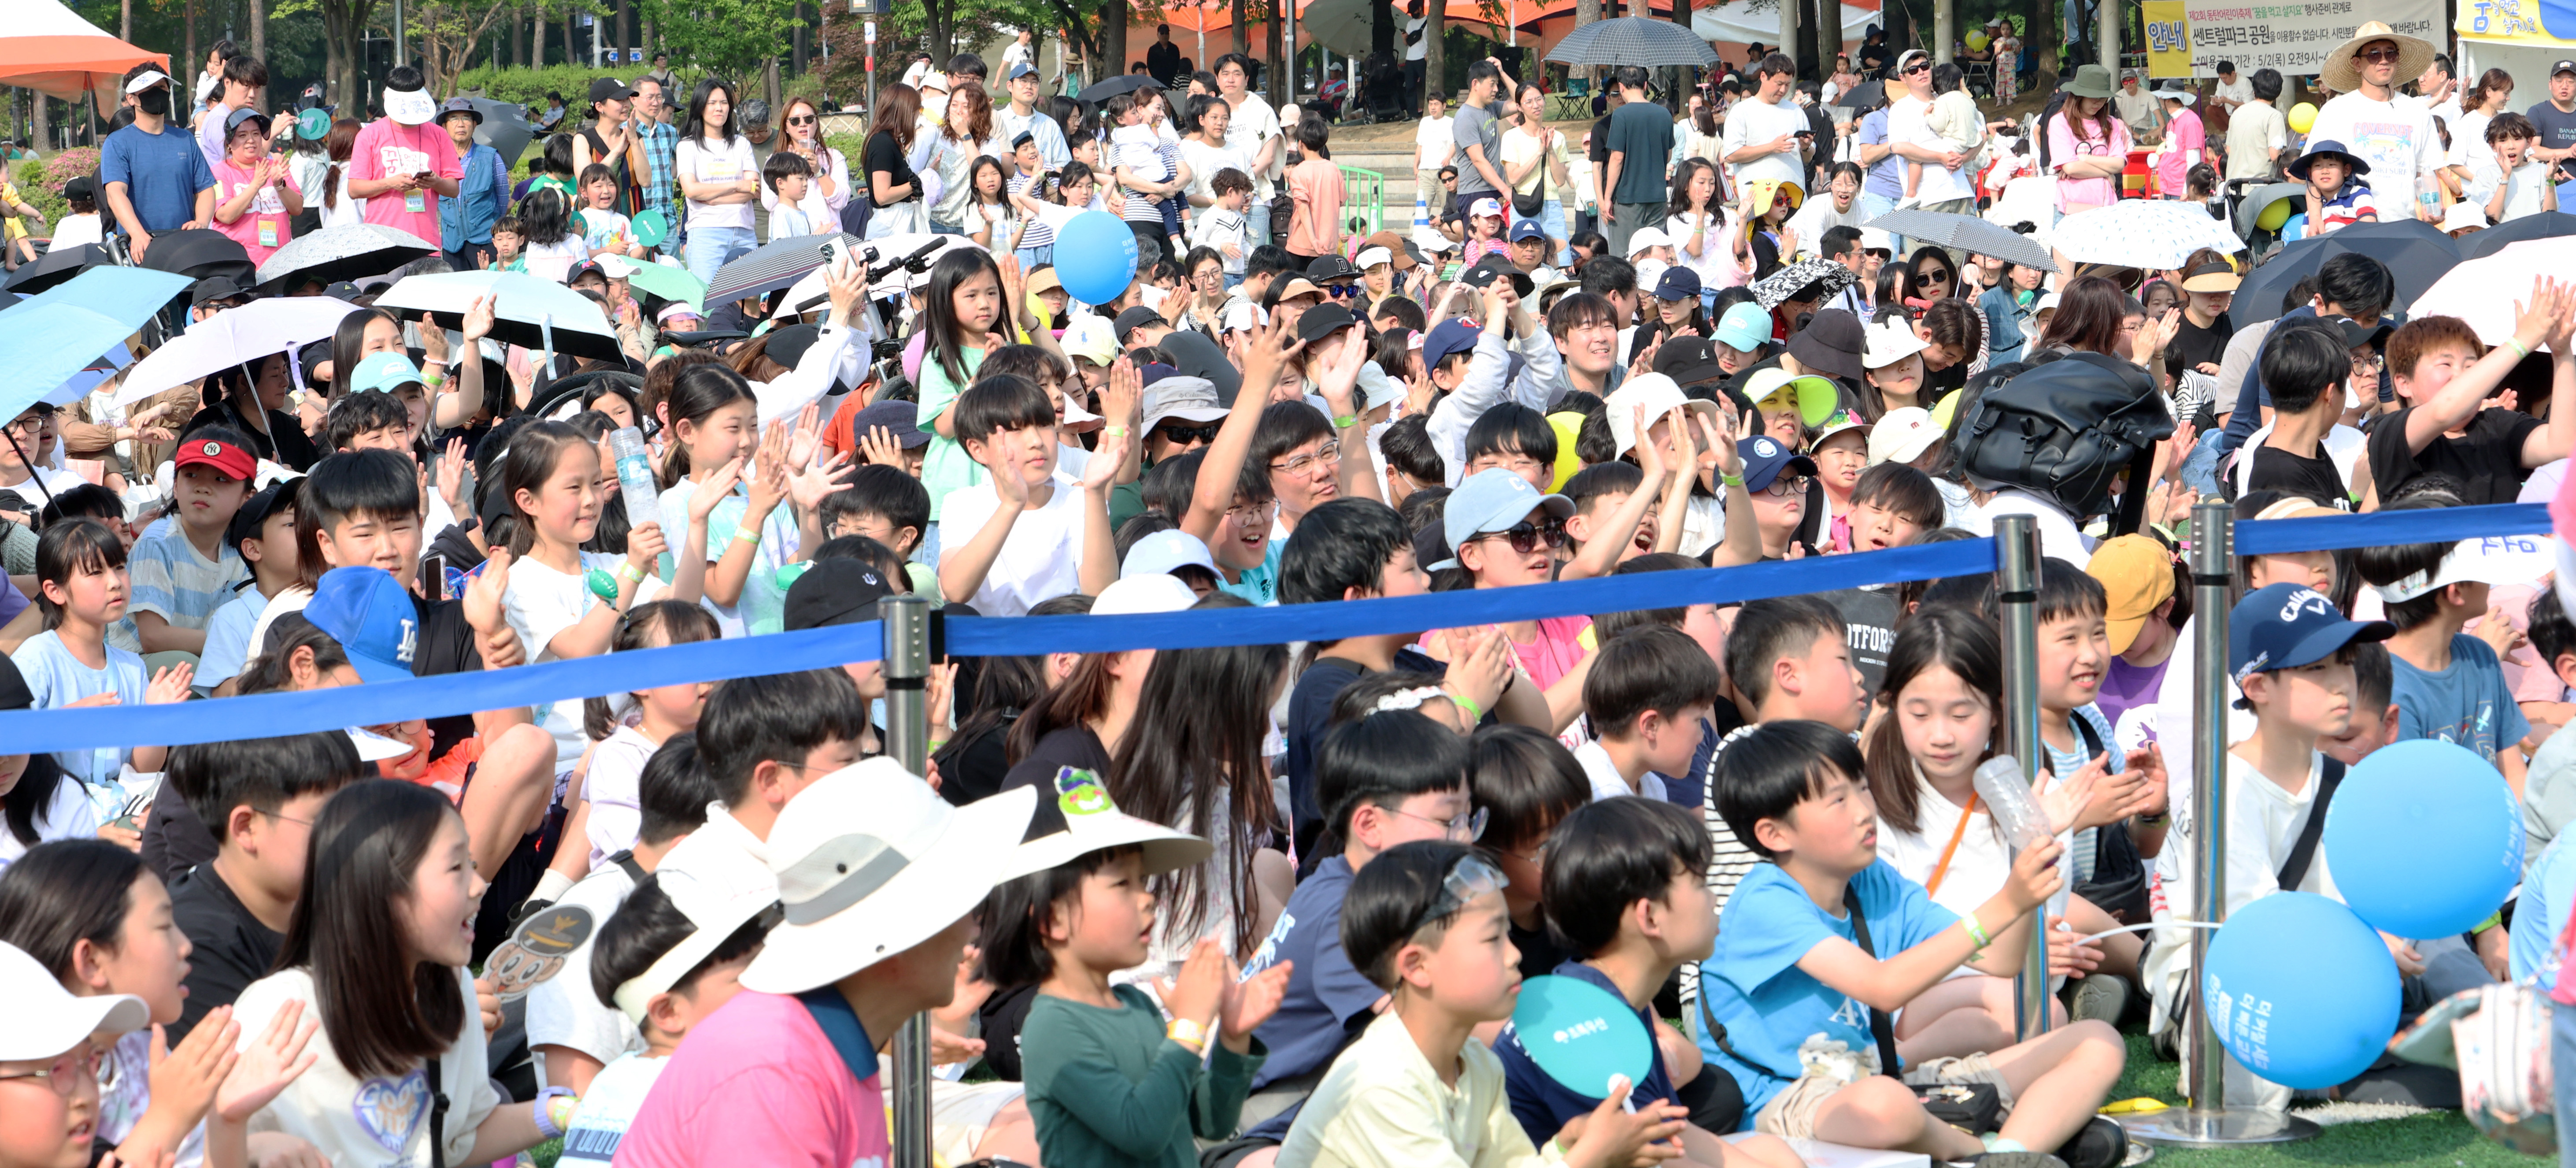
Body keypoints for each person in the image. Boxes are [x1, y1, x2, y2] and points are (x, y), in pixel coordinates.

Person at [1699, 720, 2129, 1160]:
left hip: (1873, 1076)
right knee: (1884, 1107)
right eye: (1838, 800)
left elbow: (2001, 959)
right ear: (1774, 834)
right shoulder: (1764, 901)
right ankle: (1987, 1149)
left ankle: (2010, 1150)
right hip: (1783, 1100)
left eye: (1862, 788)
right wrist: (2006, 901)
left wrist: (2028, 856)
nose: (1864, 809)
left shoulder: (1871, 881)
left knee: (2097, 1040)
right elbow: (1882, 987)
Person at [614, 760, 1038, 1166]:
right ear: (896, 926)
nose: (973, 928)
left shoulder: (832, 1042)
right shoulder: (775, 1067)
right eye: (960, 903)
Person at [1273, 839, 1694, 1168]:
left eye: (1508, 936)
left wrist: (1567, 1144)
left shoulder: (1477, 1063)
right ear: (1417, 966)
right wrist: (1587, 1159)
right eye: (1493, 939)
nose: (1515, 956)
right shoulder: (1384, 1084)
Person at [2141, 584, 2395, 1109]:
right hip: (2231, 993)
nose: (2342, 683)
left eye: (2345, 663)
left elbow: (2372, 889)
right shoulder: (2223, 792)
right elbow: (2257, 936)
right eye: (2317, 668)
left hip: (2325, 969)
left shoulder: (2339, 779)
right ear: (2257, 685)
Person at [1494, 797, 1806, 1168]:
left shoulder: (1610, 998)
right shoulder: (1584, 1029)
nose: (1713, 899)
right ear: (1650, 917)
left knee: (1775, 1157)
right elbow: (1654, 1160)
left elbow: (1673, 1131)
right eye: (1700, 883)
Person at [566, 824, 778, 1164]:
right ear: (668, 1012)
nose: (769, 984)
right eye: (744, 974)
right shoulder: (714, 1089)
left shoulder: (614, 1081)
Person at [2306, 21, 2444, 220]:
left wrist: (2432, 209)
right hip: (2349, 226)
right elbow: (2312, 173)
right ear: (2357, 64)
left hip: (2403, 227)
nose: (2384, 60)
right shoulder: (2335, 110)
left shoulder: (2417, 112)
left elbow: (2426, 173)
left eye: (2391, 54)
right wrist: (2315, 218)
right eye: (2374, 54)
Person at [99, 67, 216, 262]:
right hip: (139, 249)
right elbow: (115, 193)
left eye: (162, 87)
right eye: (150, 88)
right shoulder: (118, 142)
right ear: (131, 98)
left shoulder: (185, 139)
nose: (158, 93)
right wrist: (137, 233)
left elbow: (205, 189)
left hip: (184, 247)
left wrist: (201, 223)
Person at [349, 67, 463, 245]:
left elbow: (454, 189)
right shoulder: (369, 135)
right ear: (386, 96)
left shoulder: (439, 135)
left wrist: (437, 182)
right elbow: (354, 189)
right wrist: (390, 183)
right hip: (382, 243)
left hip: (425, 242)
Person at [676, 77, 759, 285]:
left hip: (744, 232)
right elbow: (692, 191)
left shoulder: (741, 144)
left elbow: (754, 189)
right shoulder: (687, 146)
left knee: (750, 299)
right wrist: (735, 185)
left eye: (724, 103)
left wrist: (713, 197)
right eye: (712, 103)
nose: (719, 109)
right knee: (707, 301)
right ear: (700, 107)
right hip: (706, 234)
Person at [208, 108, 299, 267]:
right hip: (241, 267)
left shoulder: (275, 166)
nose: (251, 140)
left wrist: (279, 185)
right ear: (229, 143)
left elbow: (297, 208)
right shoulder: (220, 172)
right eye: (243, 135)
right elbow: (225, 215)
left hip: (281, 264)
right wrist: (256, 184)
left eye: (256, 134)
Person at [1603, 66, 1673, 257]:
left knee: (1625, 256)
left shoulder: (1621, 114)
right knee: (1655, 253)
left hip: (1628, 198)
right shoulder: (1664, 114)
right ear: (1645, 85)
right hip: (1657, 196)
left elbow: (1617, 158)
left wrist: (1607, 197)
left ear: (1622, 87)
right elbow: (1668, 156)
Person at [437, 97, 508, 271]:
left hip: (484, 241)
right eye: (454, 118)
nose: (460, 124)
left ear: (475, 125)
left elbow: (503, 199)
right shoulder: (437, 159)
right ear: (445, 126)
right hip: (452, 243)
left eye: (466, 118)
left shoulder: (491, 156)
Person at [1723, 55, 1809, 198]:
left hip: (1794, 200)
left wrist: (1806, 147)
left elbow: (1807, 158)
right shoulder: (1742, 111)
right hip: (1758, 202)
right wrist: (1771, 148)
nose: (1783, 90)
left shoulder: (1796, 111)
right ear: (1763, 76)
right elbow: (1732, 155)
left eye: (1787, 85)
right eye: (1779, 83)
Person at [629, 76, 681, 249]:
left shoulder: (670, 133)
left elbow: (679, 165)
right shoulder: (624, 132)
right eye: (650, 97)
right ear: (633, 99)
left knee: (670, 274)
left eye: (659, 98)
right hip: (635, 221)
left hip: (667, 222)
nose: (656, 103)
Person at [2223, 67, 2287, 182]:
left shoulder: (2238, 113)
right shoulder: (2274, 116)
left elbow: (2229, 150)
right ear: (2278, 92)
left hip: (2233, 185)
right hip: (2259, 185)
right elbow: (2274, 154)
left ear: (2254, 90)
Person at [2153, 85, 2203, 198]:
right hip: (2170, 189)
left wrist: (2187, 190)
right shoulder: (2172, 122)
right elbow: (2169, 155)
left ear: (2168, 99)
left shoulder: (2191, 122)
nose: (2159, 100)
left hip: (2181, 191)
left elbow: (2193, 159)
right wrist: (2163, 189)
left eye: (2161, 97)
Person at [1146, 24, 1185, 88]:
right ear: (1158, 35)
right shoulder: (1153, 50)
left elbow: (1177, 64)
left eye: (1167, 33)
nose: (1165, 35)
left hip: (1173, 82)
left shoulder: (1174, 49)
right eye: (1162, 33)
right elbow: (1150, 65)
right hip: (1158, 82)